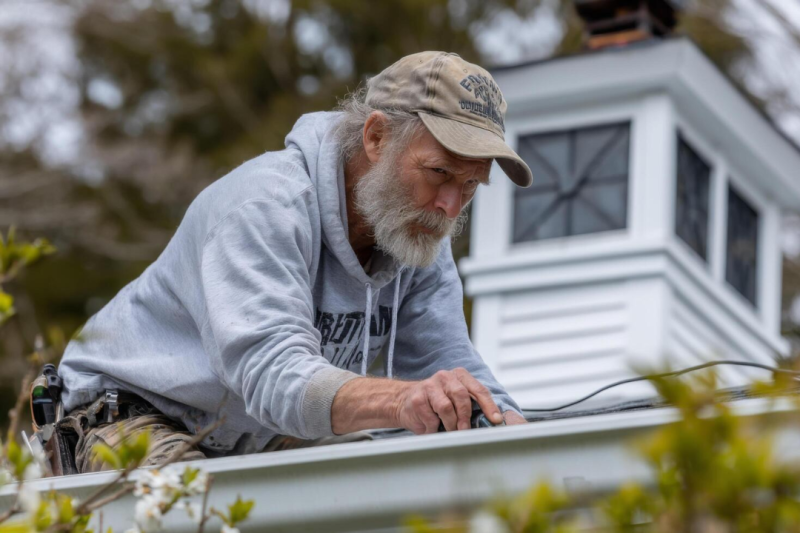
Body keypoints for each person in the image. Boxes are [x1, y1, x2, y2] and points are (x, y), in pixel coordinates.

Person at [56, 51, 534, 472]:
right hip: (133, 412)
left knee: (382, 494)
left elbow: (445, 361)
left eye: (471, 185)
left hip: (252, 432)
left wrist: (512, 434)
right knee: (187, 508)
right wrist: (402, 398)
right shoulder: (265, 206)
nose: (450, 205)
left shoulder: (416, 231)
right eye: (439, 173)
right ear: (376, 138)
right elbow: (274, 375)